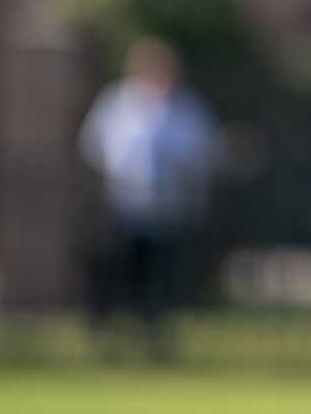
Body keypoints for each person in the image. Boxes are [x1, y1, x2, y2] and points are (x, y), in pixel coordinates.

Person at [78, 37, 222, 354]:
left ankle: (155, 337)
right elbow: (94, 147)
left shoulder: (186, 110)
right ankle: (107, 338)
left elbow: (202, 155)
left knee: (159, 278)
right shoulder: (116, 103)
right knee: (118, 273)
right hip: (123, 204)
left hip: (166, 208)